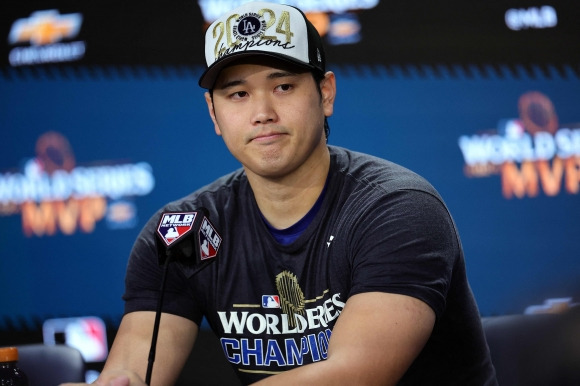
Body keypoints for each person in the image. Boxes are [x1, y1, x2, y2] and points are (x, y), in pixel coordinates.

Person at [64, 1, 497, 385]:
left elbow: (355, 374)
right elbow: (136, 368)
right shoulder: (185, 231)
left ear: (325, 94)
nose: (263, 113)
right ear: (214, 114)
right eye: (237, 94)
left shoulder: (396, 209)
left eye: (283, 86)